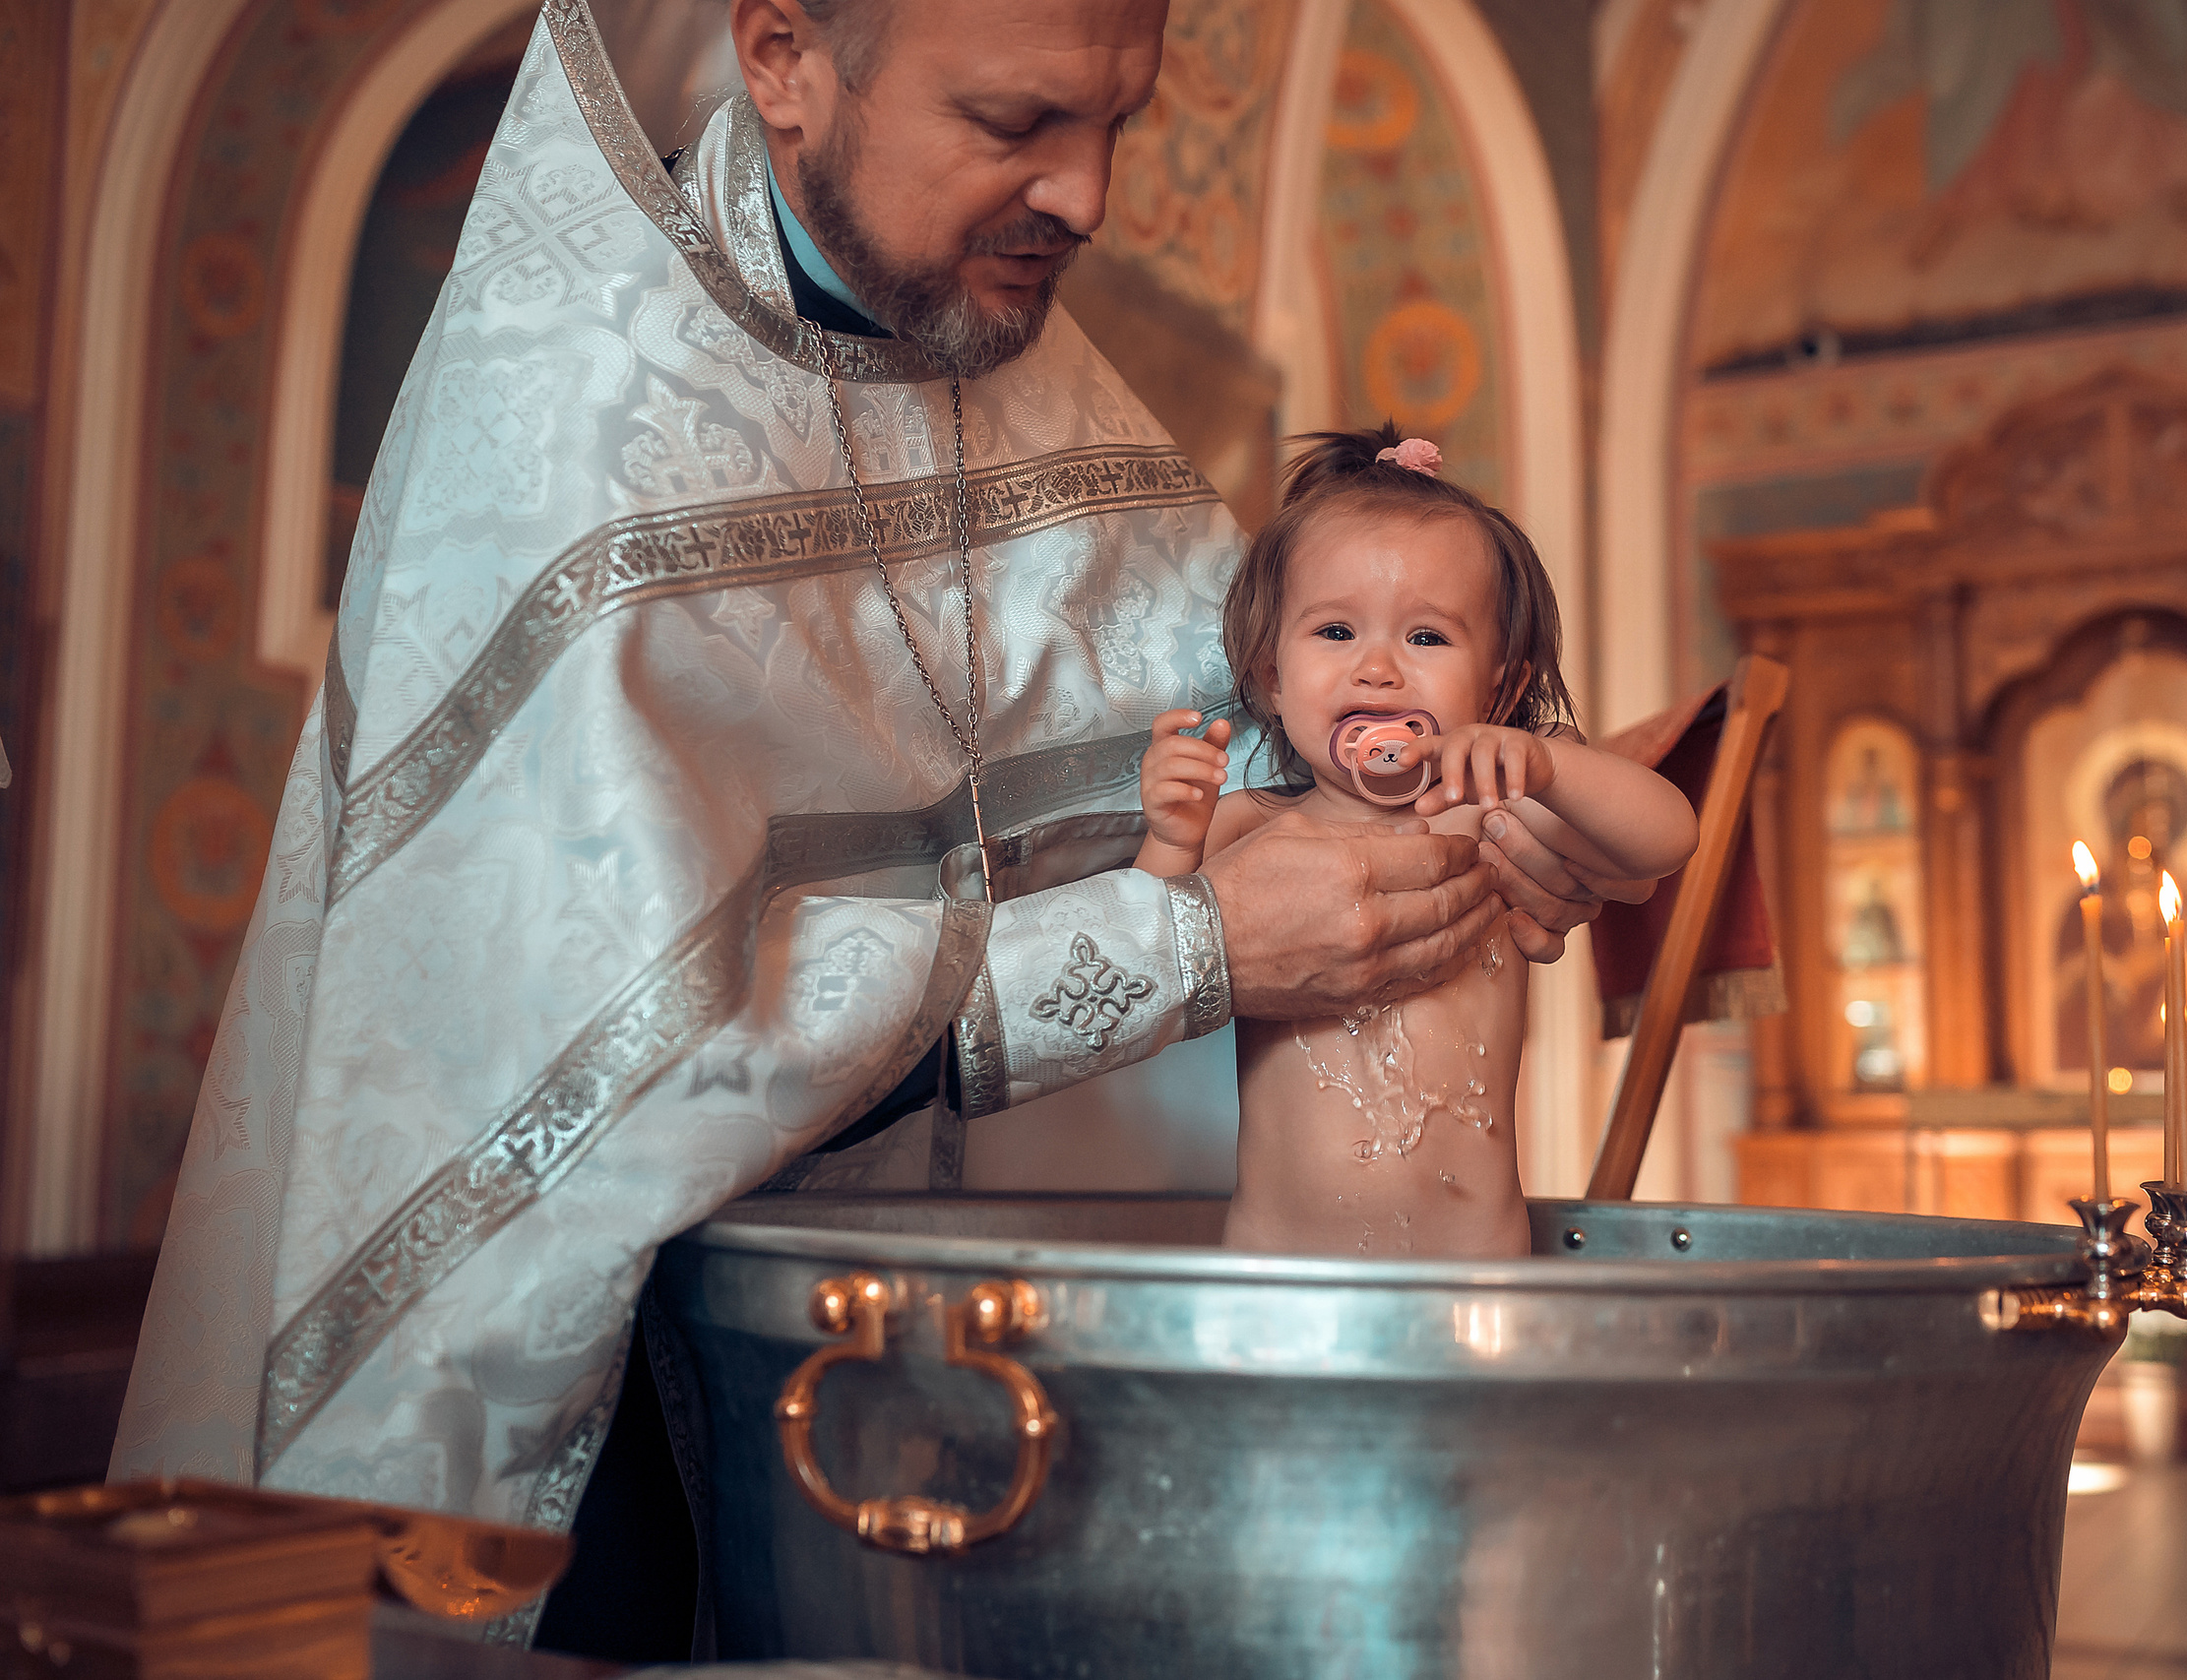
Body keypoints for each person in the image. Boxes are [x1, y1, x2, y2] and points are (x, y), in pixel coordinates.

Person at [109, 0, 1631, 1624]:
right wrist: (1179, 947)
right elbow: (593, 1066)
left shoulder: (1029, 378)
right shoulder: (582, 438)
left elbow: (1290, 745)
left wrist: (1508, 802)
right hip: (624, 1440)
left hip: (988, 1415)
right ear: (784, 61)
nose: (1088, 197)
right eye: (1015, 124)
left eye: (1117, 123)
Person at [1135, 429, 1698, 1258]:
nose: (1378, 670)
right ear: (1272, 677)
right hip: (1279, 1275)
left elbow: (1668, 837)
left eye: (1426, 637)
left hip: (1471, 1277)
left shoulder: (1492, 815)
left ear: (1499, 686)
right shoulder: (1247, 829)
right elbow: (1145, 958)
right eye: (1336, 631)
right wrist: (1170, 834)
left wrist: (1550, 764)